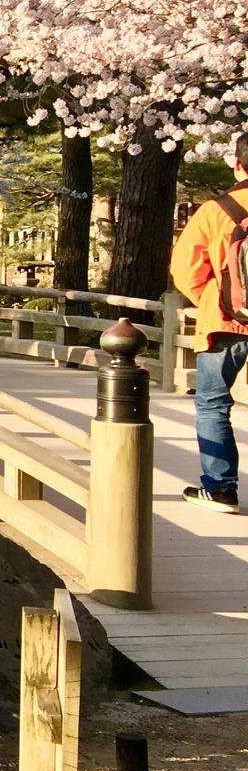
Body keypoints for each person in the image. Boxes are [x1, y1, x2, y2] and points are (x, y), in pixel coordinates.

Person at [170, 131, 248, 512]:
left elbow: (183, 269)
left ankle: (220, 488)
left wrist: (211, 301)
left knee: (214, 405)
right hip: (224, 318)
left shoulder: (216, 210)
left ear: (236, 163)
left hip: (224, 323)